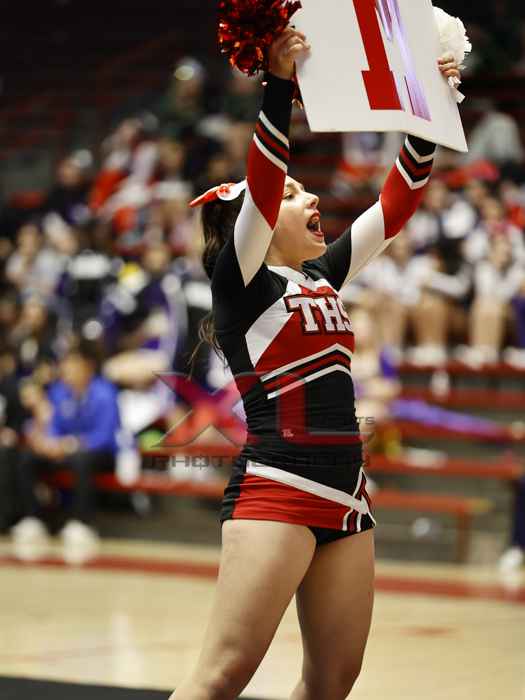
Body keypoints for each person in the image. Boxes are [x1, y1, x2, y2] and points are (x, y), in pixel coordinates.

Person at [170, 30, 461, 700]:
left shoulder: (321, 277)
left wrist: (427, 112)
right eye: (294, 195)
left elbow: (394, 207)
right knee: (222, 675)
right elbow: (264, 182)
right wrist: (279, 85)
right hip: (277, 486)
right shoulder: (240, 284)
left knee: (332, 683)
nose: (312, 202)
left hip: (347, 492)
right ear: (256, 222)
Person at [11, 342, 121, 557]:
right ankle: (34, 518)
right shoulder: (59, 392)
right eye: (65, 364)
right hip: (64, 451)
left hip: (100, 453)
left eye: (72, 364)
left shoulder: (105, 392)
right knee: (28, 457)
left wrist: (72, 444)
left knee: (81, 459)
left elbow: (105, 435)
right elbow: (53, 426)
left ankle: (82, 522)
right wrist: (49, 443)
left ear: (88, 366)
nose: (66, 369)